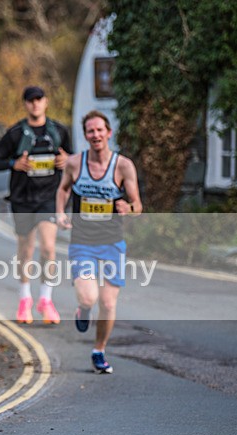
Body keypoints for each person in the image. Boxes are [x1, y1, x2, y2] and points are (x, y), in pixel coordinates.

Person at [56, 110, 142, 374]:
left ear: (108, 133)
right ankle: (83, 309)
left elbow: (138, 205)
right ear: (86, 136)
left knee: (108, 303)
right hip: (82, 242)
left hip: (113, 244)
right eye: (90, 131)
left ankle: (99, 350)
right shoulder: (74, 163)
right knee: (90, 297)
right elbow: (63, 189)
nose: (95, 135)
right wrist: (60, 212)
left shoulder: (123, 166)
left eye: (99, 130)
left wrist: (128, 207)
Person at [0, 86, 71, 324]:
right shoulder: (15, 133)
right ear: (25, 104)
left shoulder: (59, 131)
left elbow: (73, 159)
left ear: (46, 102)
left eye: (39, 100)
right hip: (22, 198)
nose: (35, 104)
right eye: (30, 101)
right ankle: (25, 298)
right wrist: (14, 163)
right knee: (25, 249)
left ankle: (46, 299)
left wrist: (67, 160)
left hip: (49, 197)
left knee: (48, 248)